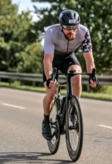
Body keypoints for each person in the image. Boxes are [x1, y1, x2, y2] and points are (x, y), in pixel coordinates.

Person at [42, 9, 98, 140]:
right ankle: (45, 121)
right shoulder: (51, 32)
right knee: (52, 90)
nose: (72, 31)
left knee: (77, 76)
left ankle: (73, 110)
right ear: (61, 26)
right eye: (68, 28)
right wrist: (50, 77)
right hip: (53, 59)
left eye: (74, 28)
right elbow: (48, 59)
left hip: (68, 58)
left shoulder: (84, 32)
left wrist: (92, 75)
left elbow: (89, 58)